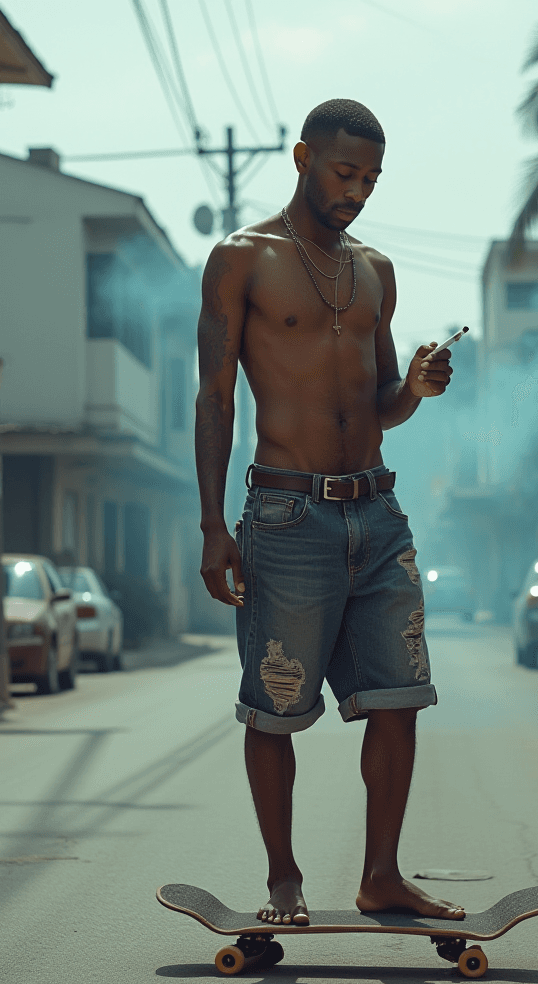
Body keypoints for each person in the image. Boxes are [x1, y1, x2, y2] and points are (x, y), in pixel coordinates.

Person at [194, 98, 462, 927]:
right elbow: (214, 400)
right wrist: (213, 526)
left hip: (377, 516)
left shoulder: (375, 268)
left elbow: (380, 406)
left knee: (399, 696)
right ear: (305, 156)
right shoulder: (242, 259)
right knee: (275, 707)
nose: (358, 191)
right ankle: (283, 879)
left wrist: (413, 389)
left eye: (372, 179)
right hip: (284, 514)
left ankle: (381, 874)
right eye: (346, 173)